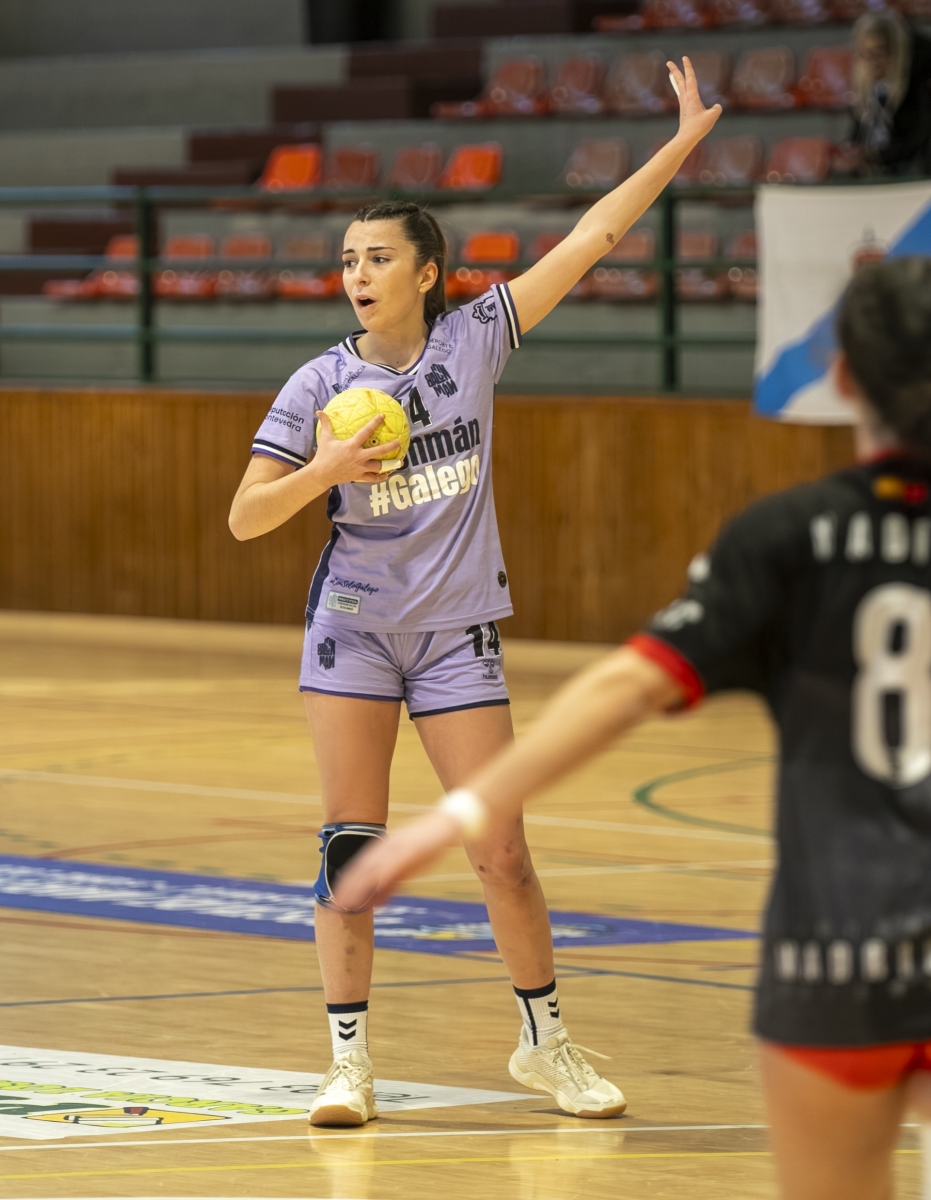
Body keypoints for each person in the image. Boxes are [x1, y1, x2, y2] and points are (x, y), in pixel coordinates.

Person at [337, 258, 931, 1197]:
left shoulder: (782, 538)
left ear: (842, 379)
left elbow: (618, 694)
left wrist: (450, 819)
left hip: (830, 959)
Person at [226, 59, 721, 1129]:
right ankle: (348, 1065)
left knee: (501, 851)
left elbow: (591, 238)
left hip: (457, 635)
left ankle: (547, 1045)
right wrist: (324, 472)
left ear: (427, 272)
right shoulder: (319, 385)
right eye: (347, 260)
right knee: (350, 850)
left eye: (377, 258)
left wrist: (680, 145)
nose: (357, 274)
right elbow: (245, 516)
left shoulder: (475, 339)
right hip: (354, 632)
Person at [839, 14, 931, 177]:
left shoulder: (916, 85)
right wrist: (850, 152)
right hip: (877, 167)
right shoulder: (868, 90)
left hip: (911, 169)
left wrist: (875, 154)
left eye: (879, 53)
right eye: (866, 54)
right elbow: (860, 135)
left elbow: (917, 140)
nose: (873, 62)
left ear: (895, 53)